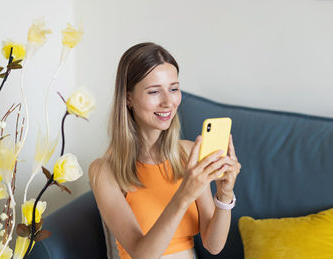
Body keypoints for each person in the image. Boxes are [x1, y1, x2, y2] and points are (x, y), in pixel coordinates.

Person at [89, 42, 241, 259]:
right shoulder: (104, 171)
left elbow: (213, 245)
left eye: (174, 89)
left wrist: (224, 195)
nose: (168, 102)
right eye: (154, 92)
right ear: (128, 98)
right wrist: (184, 194)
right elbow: (142, 254)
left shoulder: (188, 153)